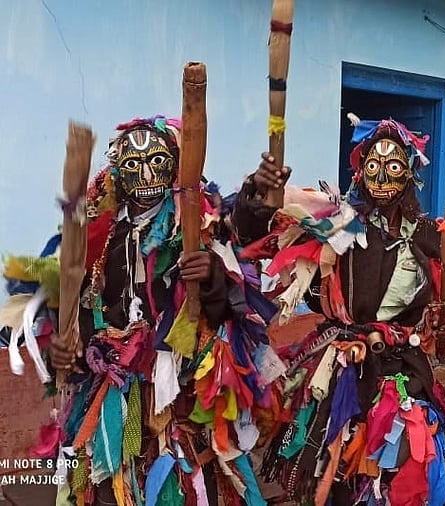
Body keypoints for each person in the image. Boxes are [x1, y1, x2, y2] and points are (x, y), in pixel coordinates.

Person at [1, 116, 281, 505]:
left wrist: (213, 272)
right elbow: (80, 313)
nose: (147, 172)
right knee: (106, 490)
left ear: (175, 166)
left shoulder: (195, 226)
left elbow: (229, 296)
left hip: (179, 395)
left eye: (158, 160)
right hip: (110, 399)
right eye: (134, 163)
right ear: (117, 173)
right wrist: (68, 351)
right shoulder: (100, 235)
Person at [248, 118, 445, 506]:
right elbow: (280, 248)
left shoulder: (430, 234)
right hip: (342, 367)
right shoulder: (339, 224)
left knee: (404, 465)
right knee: (335, 468)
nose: (382, 176)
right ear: (360, 171)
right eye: (373, 166)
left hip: (404, 370)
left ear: (409, 173)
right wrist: (260, 196)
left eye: (393, 166)